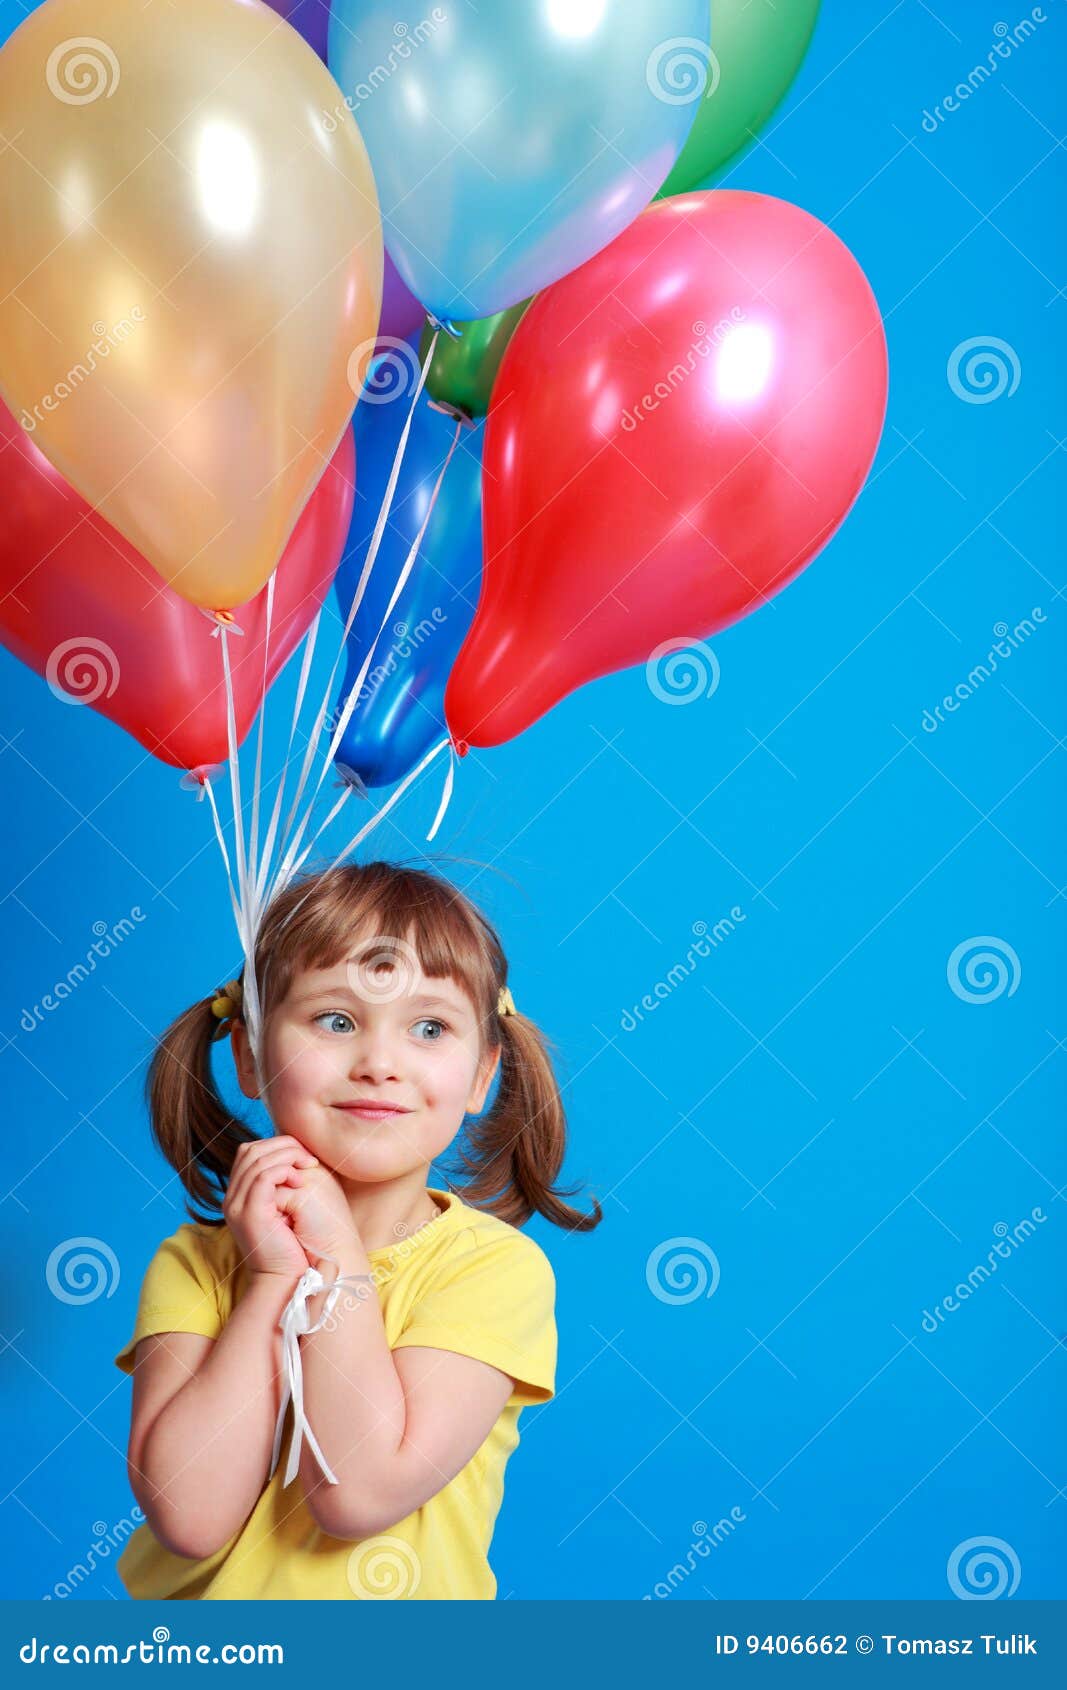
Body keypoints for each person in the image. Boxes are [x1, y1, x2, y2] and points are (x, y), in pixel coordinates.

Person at [113, 859, 601, 1599]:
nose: (379, 1063)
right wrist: (275, 1280)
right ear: (249, 1053)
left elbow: (358, 1493)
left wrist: (336, 1261)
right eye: (335, 1021)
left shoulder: (493, 1271)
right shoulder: (194, 1265)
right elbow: (189, 1516)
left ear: (479, 1075)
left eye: (429, 1028)